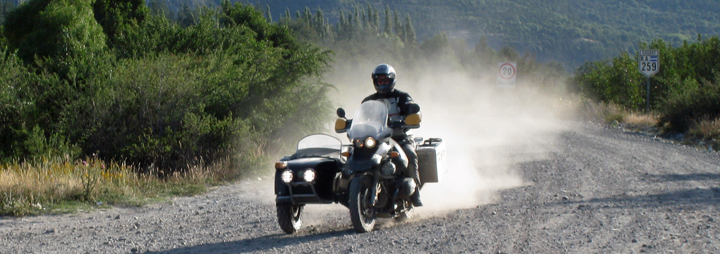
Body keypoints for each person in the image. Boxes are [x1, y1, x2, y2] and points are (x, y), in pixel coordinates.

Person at [362, 63, 423, 207]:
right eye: (379, 81)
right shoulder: (368, 101)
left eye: (385, 80)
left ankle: (415, 192)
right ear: (375, 82)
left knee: (410, 155)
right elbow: (362, 118)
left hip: (400, 137)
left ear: (392, 80)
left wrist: (408, 117)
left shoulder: (402, 97)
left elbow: (412, 110)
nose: (382, 83)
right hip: (378, 139)